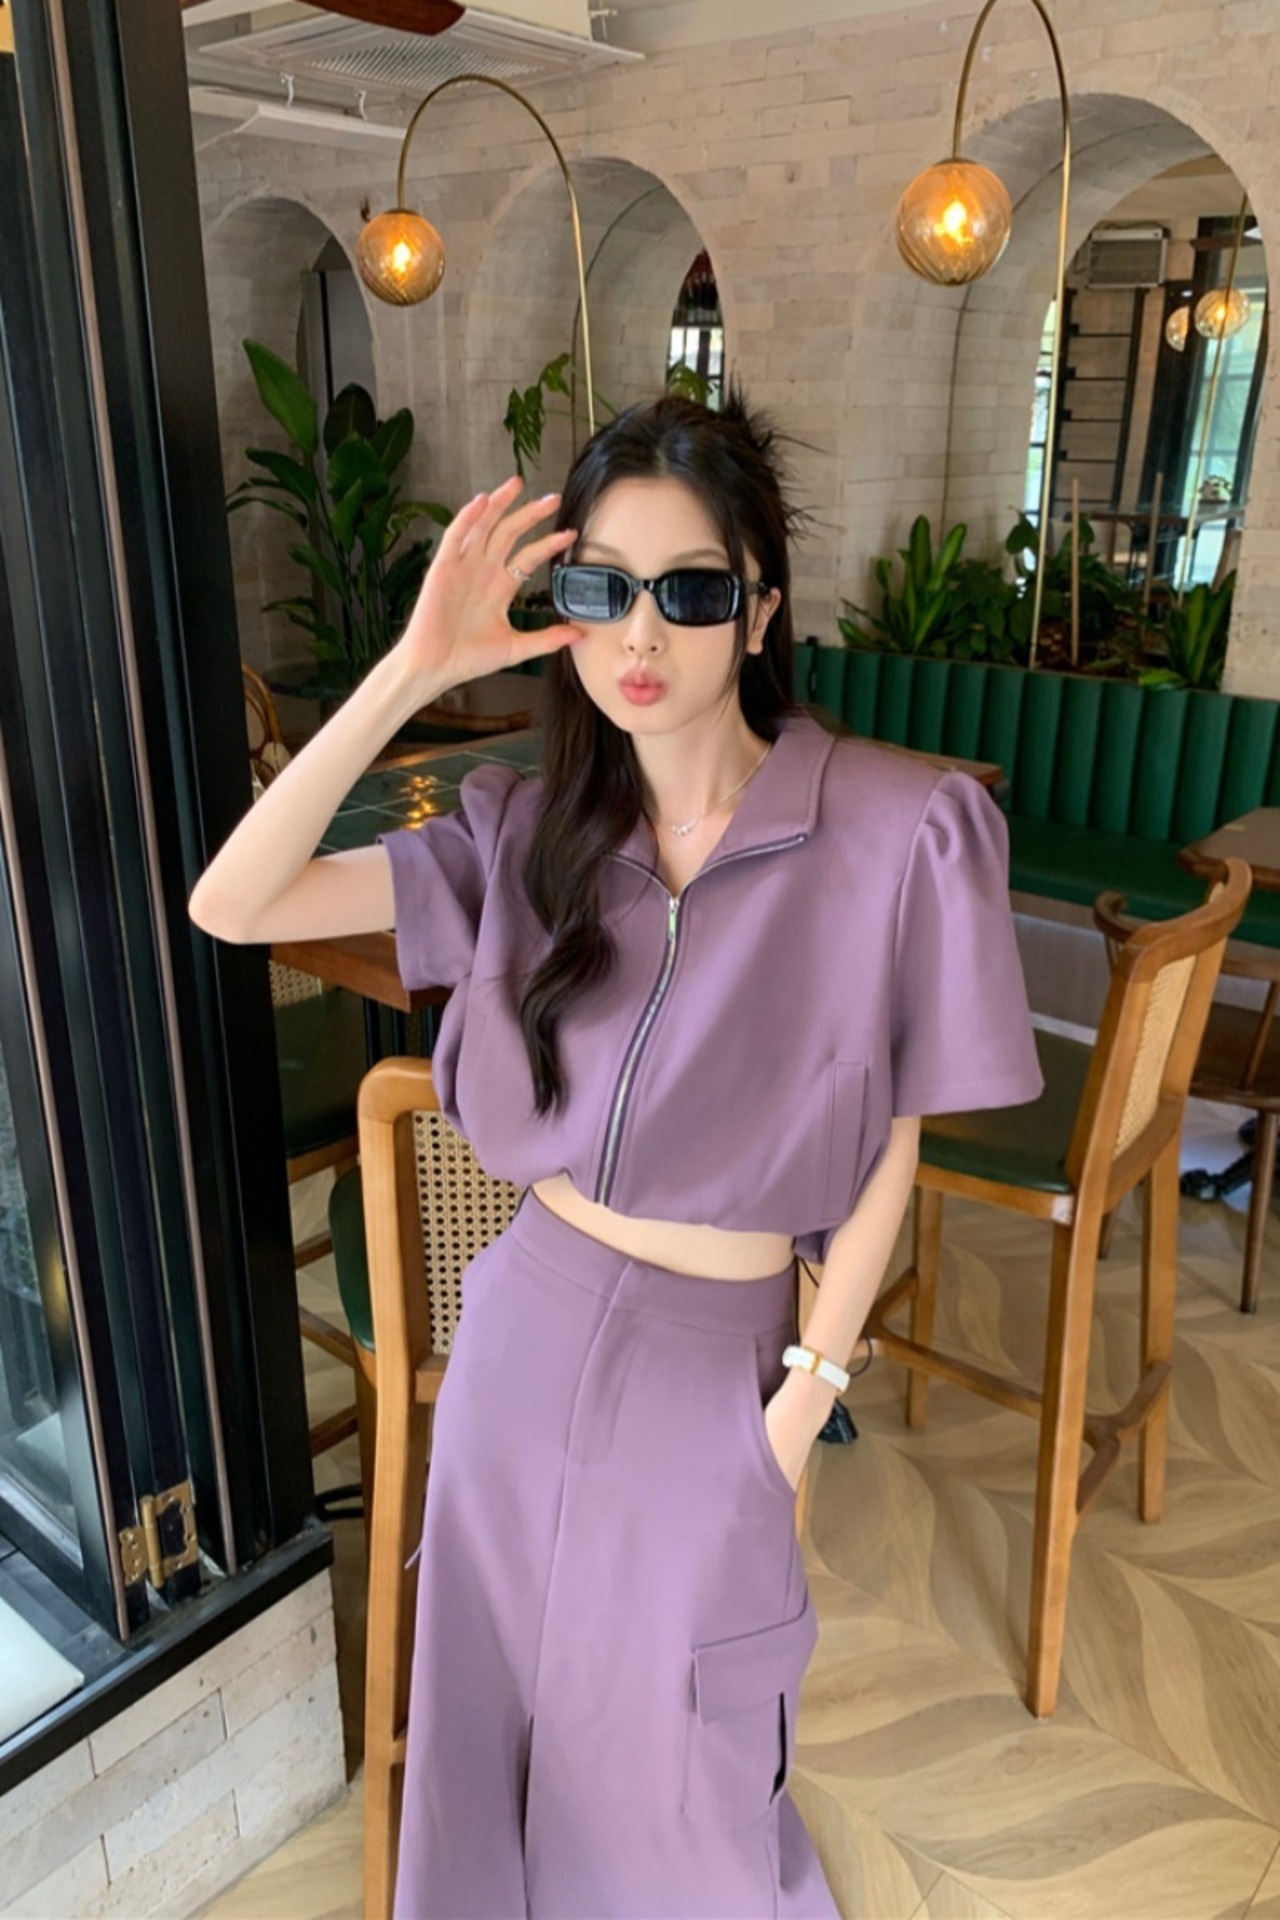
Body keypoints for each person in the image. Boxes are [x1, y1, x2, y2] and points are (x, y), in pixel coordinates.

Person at [189, 389, 1044, 1918]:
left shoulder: (899, 831)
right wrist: (413, 668)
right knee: (488, 1734)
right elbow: (233, 904)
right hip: (526, 1325)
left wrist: (804, 1403)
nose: (641, 632)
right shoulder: (528, 832)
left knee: (682, 1782)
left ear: (760, 611)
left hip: (719, 1364)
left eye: (691, 592)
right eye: (603, 586)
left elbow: (890, 1141)